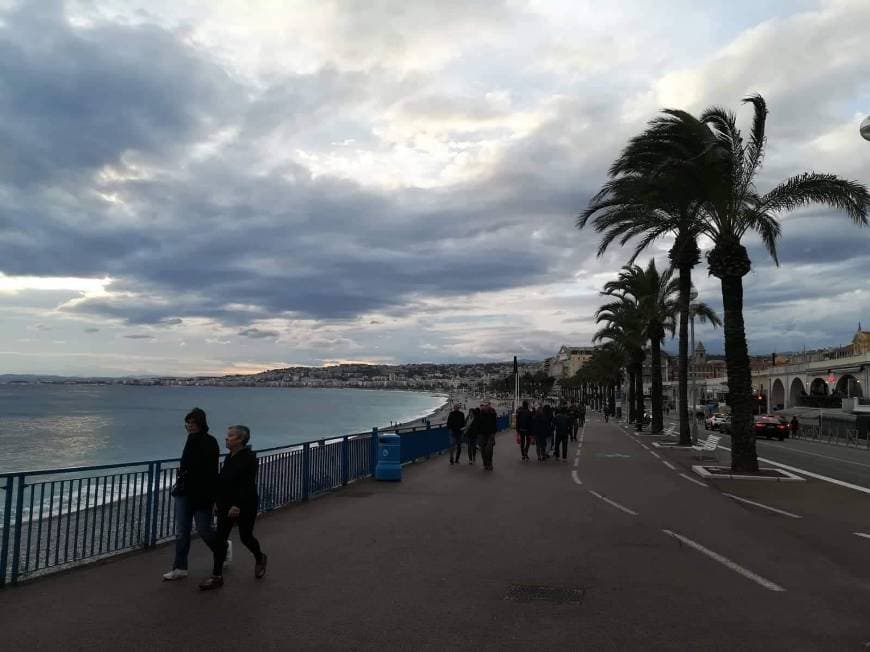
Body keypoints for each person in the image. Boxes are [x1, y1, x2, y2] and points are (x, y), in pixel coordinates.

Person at [199, 425, 268, 590]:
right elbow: (223, 481)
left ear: (241, 440)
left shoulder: (249, 458)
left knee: (245, 537)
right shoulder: (230, 456)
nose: (226, 438)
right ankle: (217, 577)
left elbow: (247, 485)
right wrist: (217, 501)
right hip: (225, 504)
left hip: (245, 505)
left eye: (230, 436)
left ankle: (260, 557)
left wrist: (237, 505)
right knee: (220, 539)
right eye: (227, 435)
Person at [163, 407, 219, 581]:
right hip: (184, 491)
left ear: (201, 423)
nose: (189, 426)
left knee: (204, 529)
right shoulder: (190, 439)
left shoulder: (210, 442)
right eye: (187, 423)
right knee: (182, 531)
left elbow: (210, 471)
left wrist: (213, 496)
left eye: (193, 423)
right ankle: (180, 567)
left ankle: (223, 549)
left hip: (202, 493)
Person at [477, 401, 498, 471]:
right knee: (483, 450)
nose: (486, 406)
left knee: (489, 450)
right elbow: (477, 424)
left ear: (489, 405)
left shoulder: (492, 413)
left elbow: (494, 424)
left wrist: (494, 434)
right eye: (484, 405)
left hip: (490, 434)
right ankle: (485, 463)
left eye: (487, 405)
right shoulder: (480, 414)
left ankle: (490, 463)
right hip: (481, 434)